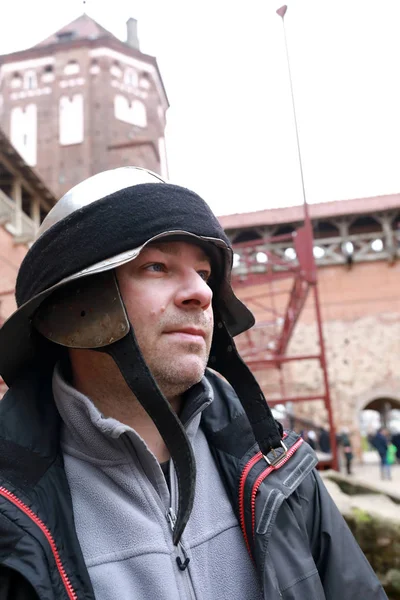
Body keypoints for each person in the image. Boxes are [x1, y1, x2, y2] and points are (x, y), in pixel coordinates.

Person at [0, 167, 387, 599]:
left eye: (204, 273)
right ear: (75, 306)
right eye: (157, 266)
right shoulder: (9, 515)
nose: (201, 294)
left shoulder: (278, 469)